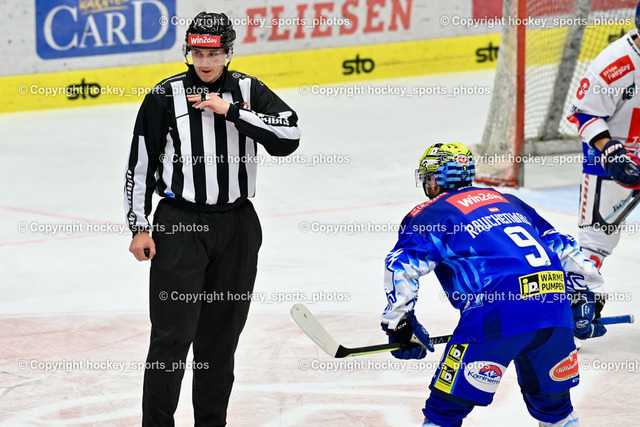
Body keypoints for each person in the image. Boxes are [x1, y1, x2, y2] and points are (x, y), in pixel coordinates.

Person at [124, 11, 301, 426]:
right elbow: (139, 166)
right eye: (197, 52)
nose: (205, 62)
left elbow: (289, 136)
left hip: (237, 227)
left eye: (214, 53)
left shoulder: (248, 90)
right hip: (180, 225)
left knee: (220, 342)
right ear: (188, 51)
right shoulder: (164, 96)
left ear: (228, 52)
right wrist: (139, 225)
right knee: (170, 339)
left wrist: (231, 112)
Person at [380, 143, 606, 427]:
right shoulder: (508, 200)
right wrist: (587, 297)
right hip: (554, 307)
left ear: (434, 179)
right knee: (556, 411)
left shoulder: (429, 214)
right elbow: (563, 246)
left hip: (495, 315)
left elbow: (400, 267)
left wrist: (399, 325)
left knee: (444, 412)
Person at [567, 1, 640, 272]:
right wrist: (610, 150)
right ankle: (581, 296)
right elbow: (584, 114)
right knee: (597, 238)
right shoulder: (615, 63)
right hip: (612, 153)